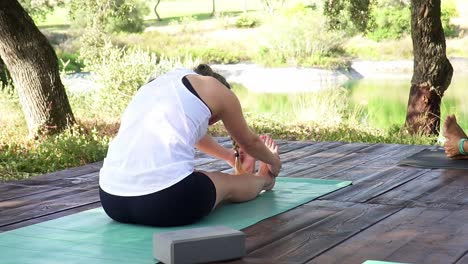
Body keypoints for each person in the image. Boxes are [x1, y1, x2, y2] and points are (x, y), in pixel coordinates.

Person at [99, 64, 282, 227]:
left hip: (112, 200)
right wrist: (274, 162)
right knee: (226, 183)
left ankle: (243, 173)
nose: (211, 123)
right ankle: (264, 180)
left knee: (204, 179)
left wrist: (229, 156)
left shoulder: (158, 87)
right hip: (167, 203)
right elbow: (249, 142)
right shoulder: (217, 90)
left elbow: (193, 133)